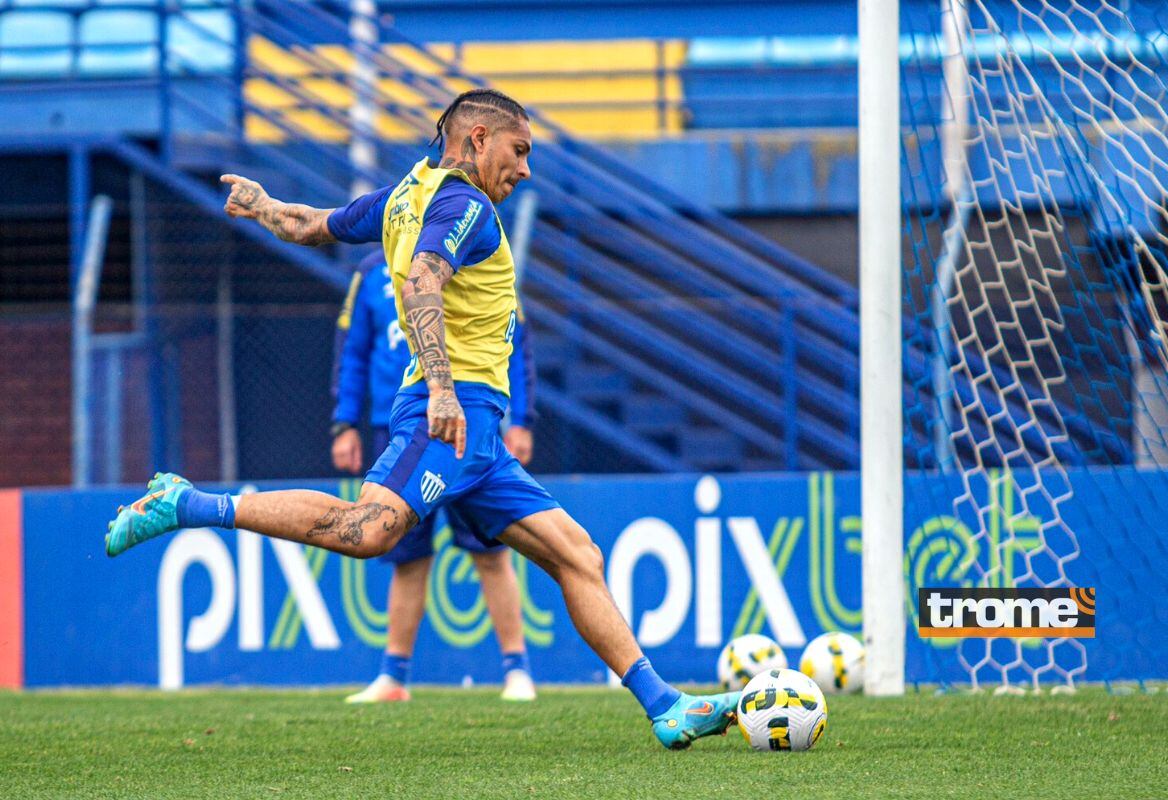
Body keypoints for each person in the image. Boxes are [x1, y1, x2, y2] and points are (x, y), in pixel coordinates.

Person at [104, 88, 738, 749]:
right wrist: (441, 388)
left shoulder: (404, 198)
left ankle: (665, 706)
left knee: (578, 555)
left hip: (480, 434)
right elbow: (423, 281)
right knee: (368, 530)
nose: (524, 169)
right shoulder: (466, 206)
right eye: (518, 151)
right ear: (476, 141)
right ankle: (187, 505)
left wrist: (263, 207)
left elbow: (313, 224)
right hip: (451, 412)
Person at [330, 248, 538, 702]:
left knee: (490, 552)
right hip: (401, 429)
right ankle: (393, 677)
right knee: (407, 556)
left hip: (466, 424)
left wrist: (521, 417)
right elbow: (353, 351)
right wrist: (345, 422)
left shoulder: (474, 252)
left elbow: (514, 338)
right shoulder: (370, 271)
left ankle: (517, 670)